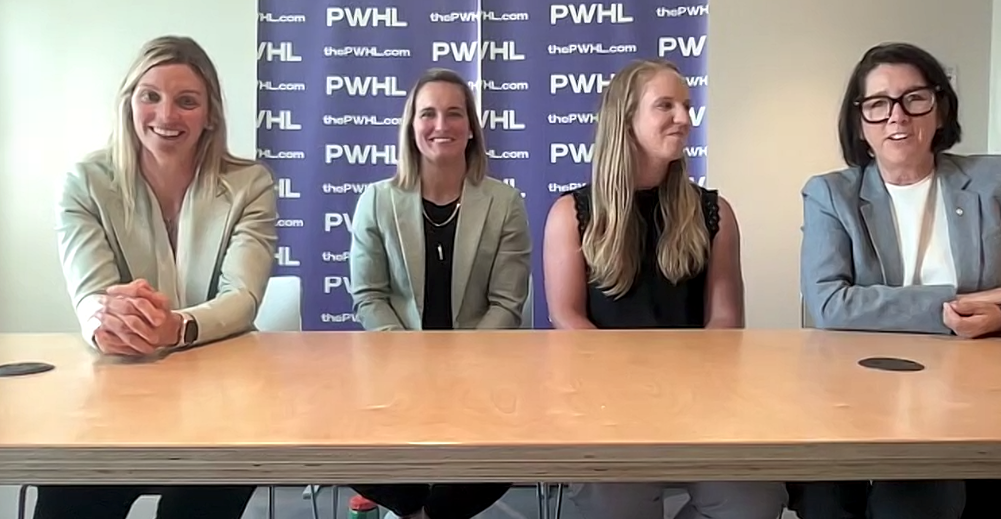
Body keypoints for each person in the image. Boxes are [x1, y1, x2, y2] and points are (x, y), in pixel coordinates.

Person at [40, 35, 277, 519]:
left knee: (201, 503)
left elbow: (243, 297)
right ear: (129, 103)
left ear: (209, 115)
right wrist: (106, 322)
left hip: (223, 399)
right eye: (150, 96)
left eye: (186, 101)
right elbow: (90, 296)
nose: (166, 116)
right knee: (69, 496)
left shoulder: (250, 184)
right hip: (119, 391)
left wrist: (178, 327)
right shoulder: (84, 182)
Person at [542, 57, 787, 519]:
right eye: (666, 106)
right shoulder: (570, 215)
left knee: (755, 502)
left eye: (687, 105)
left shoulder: (716, 214)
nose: (685, 118)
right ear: (626, 120)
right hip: (607, 404)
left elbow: (725, 322)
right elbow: (567, 319)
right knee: (616, 505)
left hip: (701, 403)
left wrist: (682, 389)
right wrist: (631, 384)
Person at [796, 41, 1001, 518]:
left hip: (975, 391)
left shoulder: (993, 182)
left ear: (940, 109)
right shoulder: (831, 194)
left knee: (915, 499)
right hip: (858, 386)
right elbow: (829, 304)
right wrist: (961, 304)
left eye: (914, 98)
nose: (897, 116)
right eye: (878, 104)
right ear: (860, 124)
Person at [347, 67, 530, 518]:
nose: (441, 125)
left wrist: (460, 363)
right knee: (337, 434)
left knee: (510, 449)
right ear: (412, 127)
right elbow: (369, 295)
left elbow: (507, 303)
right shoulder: (376, 199)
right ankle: (414, 509)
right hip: (394, 371)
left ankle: (425, 514)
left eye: (454, 113)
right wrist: (413, 360)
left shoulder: (504, 203)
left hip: (481, 374)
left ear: (470, 129)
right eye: (428, 114)